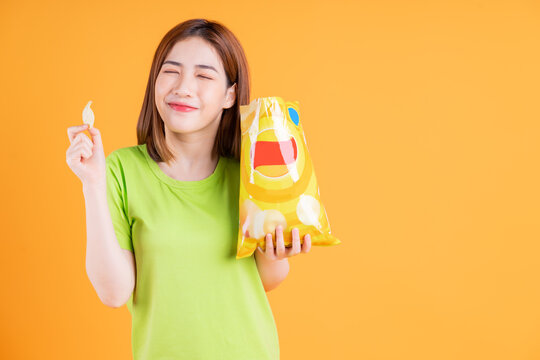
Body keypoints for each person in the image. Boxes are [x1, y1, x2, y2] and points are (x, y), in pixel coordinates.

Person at [65, 18, 311, 359]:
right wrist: (92, 183)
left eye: (204, 75)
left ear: (230, 94)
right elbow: (114, 292)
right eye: (171, 71)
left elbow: (265, 279)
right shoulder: (121, 170)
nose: (183, 87)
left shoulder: (251, 174)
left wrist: (276, 253)